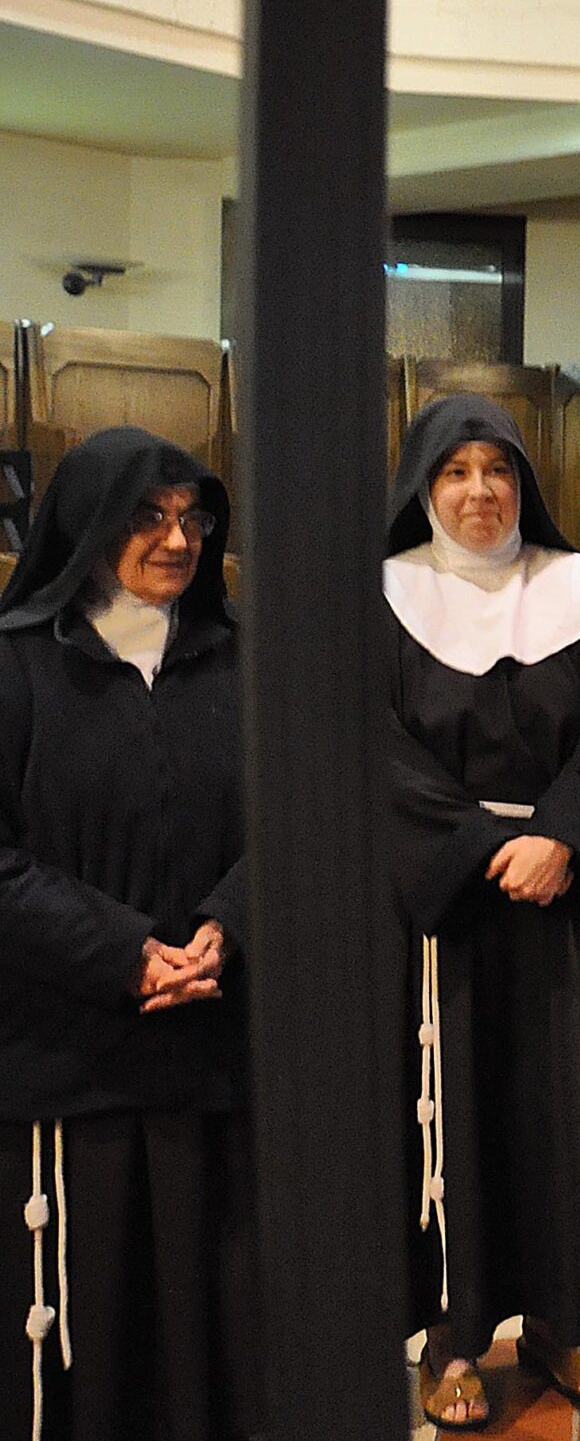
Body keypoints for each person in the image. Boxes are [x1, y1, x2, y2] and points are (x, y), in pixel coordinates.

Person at [381, 396, 580, 1431]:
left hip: (560, 897)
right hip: (445, 908)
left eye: (497, 468)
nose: (479, 490)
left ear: (524, 482)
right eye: (455, 470)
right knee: (448, 1113)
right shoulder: (387, 597)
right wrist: (476, 848)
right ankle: (452, 1339)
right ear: (424, 487)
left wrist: (565, 840)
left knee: (561, 1113)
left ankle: (559, 1320)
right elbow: (374, 746)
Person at [0, 428, 261, 1441]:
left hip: (215, 1040)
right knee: (96, 1329)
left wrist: (229, 921)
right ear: (87, 523)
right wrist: (122, 952)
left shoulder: (240, 659)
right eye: (149, 516)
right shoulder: (18, 664)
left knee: (214, 1317)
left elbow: (297, 817)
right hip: (73, 1051)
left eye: (192, 517)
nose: (178, 539)